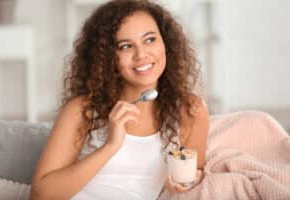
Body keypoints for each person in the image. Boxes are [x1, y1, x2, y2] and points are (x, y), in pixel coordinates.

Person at [31, 0, 209, 199]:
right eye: (125, 46)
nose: (141, 55)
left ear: (165, 42)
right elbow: (41, 195)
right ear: (107, 58)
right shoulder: (82, 110)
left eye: (150, 40)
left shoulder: (191, 110)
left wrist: (180, 183)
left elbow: (194, 175)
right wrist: (110, 146)